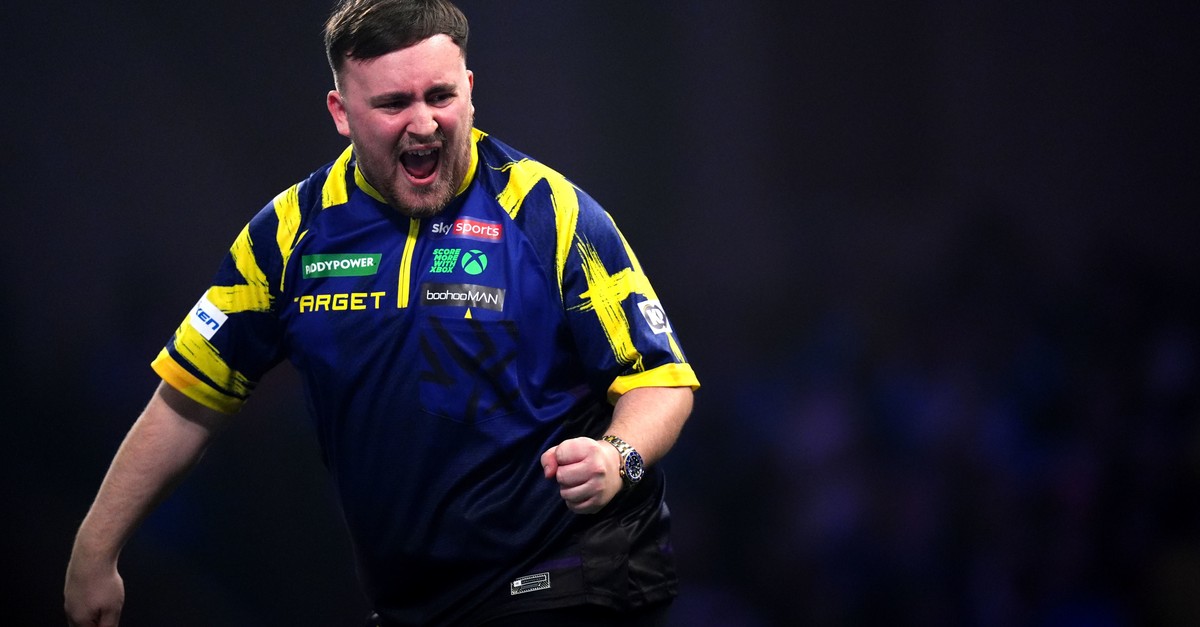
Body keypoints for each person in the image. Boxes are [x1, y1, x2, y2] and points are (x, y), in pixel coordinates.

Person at [63, 0, 699, 625]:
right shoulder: (287, 235)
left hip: (570, 574)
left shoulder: (550, 213)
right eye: (394, 104)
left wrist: (618, 457)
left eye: (440, 96)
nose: (423, 124)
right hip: (414, 603)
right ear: (341, 112)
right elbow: (188, 401)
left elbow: (660, 381)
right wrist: (95, 551)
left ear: (470, 91)